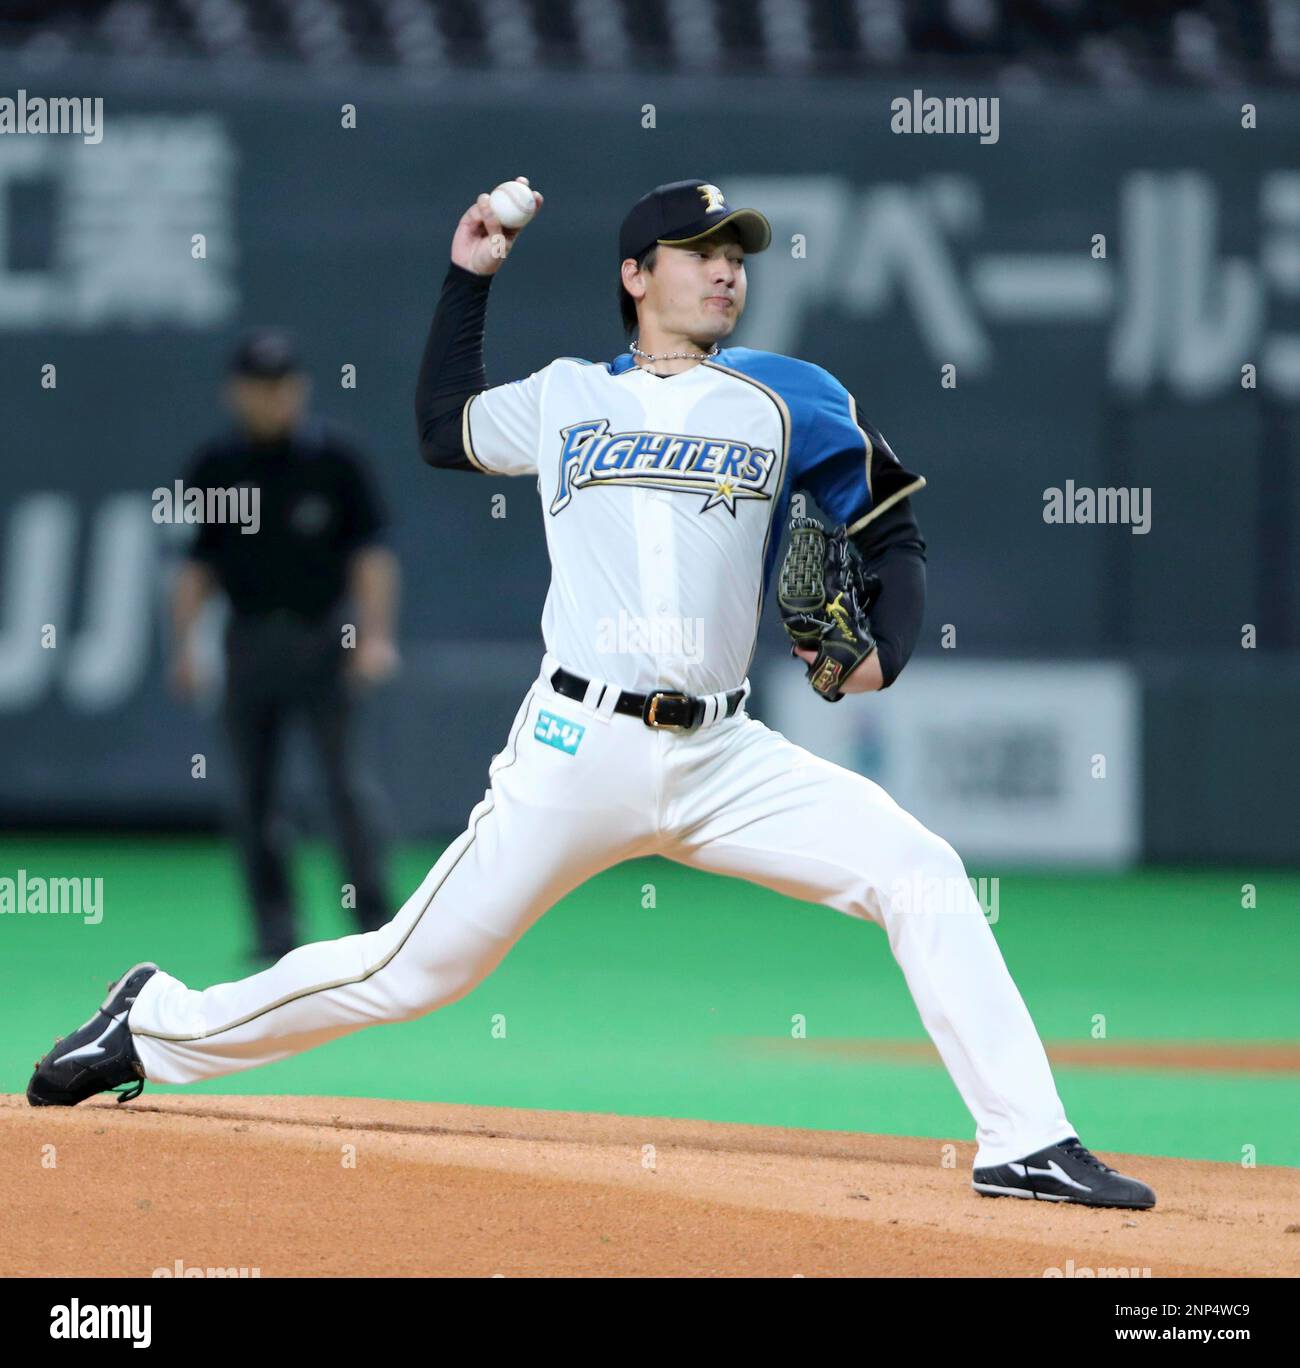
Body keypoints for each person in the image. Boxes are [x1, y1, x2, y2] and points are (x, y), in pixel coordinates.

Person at [29, 180, 1154, 1211]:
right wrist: (469, 277)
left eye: (736, 254)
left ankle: (1023, 1139)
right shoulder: (565, 398)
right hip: (577, 744)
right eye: (696, 251)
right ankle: (155, 1021)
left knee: (922, 872)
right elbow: (439, 430)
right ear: (634, 277)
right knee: (413, 969)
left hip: (725, 756)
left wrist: (886, 650)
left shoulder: (787, 397)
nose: (725, 270)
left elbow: (889, 526)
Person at [169, 329, 399, 960]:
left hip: (326, 640)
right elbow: (198, 567)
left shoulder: (335, 461)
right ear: (235, 393)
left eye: (283, 385)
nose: (273, 398)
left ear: (299, 388)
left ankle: (375, 922)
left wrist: (375, 638)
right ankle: (275, 929)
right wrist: (186, 644)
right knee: (253, 797)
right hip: (248, 645)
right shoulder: (217, 465)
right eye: (259, 386)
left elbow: (371, 558)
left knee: (345, 787)